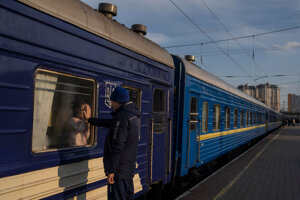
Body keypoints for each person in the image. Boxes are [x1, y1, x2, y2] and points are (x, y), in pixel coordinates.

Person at [85, 86, 140, 200]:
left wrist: (112, 171)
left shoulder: (121, 117)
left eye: (111, 100)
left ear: (116, 101)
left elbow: (117, 146)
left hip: (119, 171)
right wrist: (90, 120)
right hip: (128, 169)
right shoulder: (132, 116)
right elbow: (111, 123)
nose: (110, 103)